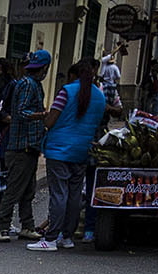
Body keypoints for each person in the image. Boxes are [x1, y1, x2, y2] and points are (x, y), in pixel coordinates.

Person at [31, 59, 113, 253]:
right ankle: (67, 236)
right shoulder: (99, 96)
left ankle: (51, 238)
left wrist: (44, 119)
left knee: (59, 194)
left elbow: (51, 121)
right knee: (74, 195)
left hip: (59, 149)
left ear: (74, 75)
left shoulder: (66, 92)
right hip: (82, 150)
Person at [0, 50, 50, 243]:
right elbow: (22, 111)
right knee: (14, 189)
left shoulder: (33, 84)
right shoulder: (27, 84)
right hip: (21, 146)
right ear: (44, 68)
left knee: (28, 191)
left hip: (30, 145)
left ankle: (27, 226)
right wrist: (41, 115)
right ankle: (2, 226)